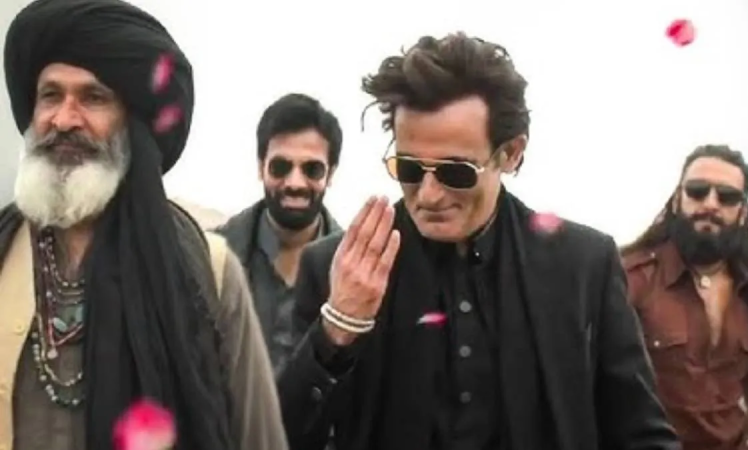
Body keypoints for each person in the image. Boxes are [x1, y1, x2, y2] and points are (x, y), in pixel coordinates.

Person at [278, 32, 680, 450]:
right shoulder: (335, 267)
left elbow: (641, 434)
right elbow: (277, 435)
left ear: (511, 154)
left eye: (456, 172)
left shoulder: (582, 266)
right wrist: (338, 329)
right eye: (409, 169)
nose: (429, 195)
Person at [0, 0, 288, 449]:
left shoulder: (209, 271)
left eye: (93, 98)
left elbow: (259, 439)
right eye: (50, 95)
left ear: (131, 123)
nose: (64, 119)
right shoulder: (4, 251)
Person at [621, 145, 748, 450]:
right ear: (677, 201)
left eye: (727, 197)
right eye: (697, 191)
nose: (711, 204)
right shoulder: (630, 279)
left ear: (742, 213)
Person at [217, 93, 342, 376]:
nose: (295, 183)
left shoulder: (354, 269)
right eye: (280, 167)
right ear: (261, 167)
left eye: (312, 169)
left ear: (331, 174)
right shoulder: (211, 260)